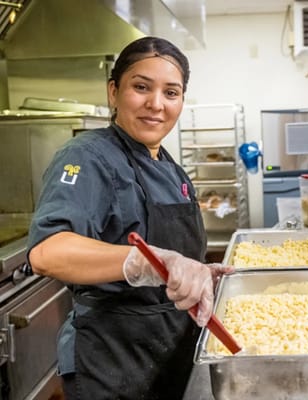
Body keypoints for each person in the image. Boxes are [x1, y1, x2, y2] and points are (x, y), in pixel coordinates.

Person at [26, 36, 232, 399]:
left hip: (170, 351)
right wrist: (143, 262)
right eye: (141, 87)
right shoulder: (88, 156)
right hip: (111, 359)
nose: (156, 104)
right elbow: (48, 252)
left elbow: (178, 260)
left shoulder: (171, 170)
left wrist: (199, 277)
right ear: (113, 92)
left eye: (171, 92)